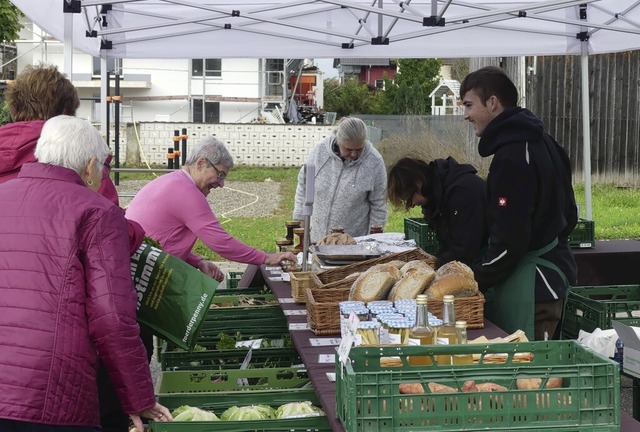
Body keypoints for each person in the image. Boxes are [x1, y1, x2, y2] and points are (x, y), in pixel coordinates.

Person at [0, 115, 172, 432]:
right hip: (53, 396)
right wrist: (138, 398)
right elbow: (111, 316)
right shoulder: (97, 211)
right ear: (91, 166)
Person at [459, 66, 578, 341]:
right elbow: (570, 215)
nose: (465, 115)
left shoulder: (512, 157)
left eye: (468, 105)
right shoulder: (548, 142)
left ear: (492, 102)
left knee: (531, 376)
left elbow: (510, 239)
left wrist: (475, 280)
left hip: (534, 287)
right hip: (553, 280)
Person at [126, 137, 297, 278]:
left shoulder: (174, 181)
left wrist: (198, 262)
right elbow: (221, 242)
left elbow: (164, 240)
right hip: (141, 274)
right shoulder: (186, 192)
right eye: (220, 174)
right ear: (201, 163)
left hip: (138, 266)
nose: (221, 184)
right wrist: (267, 258)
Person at [292, 117, 388, 243]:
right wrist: (300, 223)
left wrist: (372, 241)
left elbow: (379, 204)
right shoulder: (320, 151)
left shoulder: (374, 161)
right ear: (338, 141)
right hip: (316, 240)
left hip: (353, 245)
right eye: (348, 149)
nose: (354, 154)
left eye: (359, 149)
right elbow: (304, 187)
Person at [387, 156, 488, 267]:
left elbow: (464, 249)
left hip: (486, 261)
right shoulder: (436, 199)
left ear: (418, 184)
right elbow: (446, 244)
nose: (412, 205)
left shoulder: (462, 192)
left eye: (410, 198)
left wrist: (434, 265)